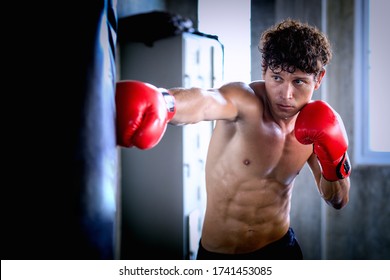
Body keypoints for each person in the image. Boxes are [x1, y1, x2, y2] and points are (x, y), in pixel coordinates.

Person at [115, 18, 351, 260]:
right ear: (264, 69)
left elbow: (338, 200)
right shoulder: (244, 100)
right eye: (277, 78)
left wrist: (335, 161)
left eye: (299, 81)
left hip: (281, 249)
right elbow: (206, 101)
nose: (286, 94)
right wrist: (165, 103)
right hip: (221, 256)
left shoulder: (319, 124)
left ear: (319, 78)